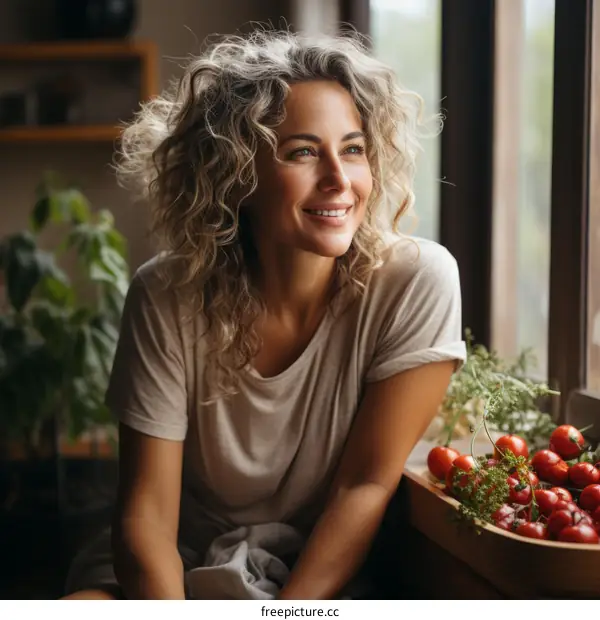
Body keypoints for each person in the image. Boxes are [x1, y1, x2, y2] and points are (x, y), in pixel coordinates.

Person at [62, 27, 466, 600]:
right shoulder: (165, 294)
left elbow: (363, 486)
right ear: (236, 174)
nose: (339, 179)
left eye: (352, 149)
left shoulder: (416, 281)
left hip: (320, 573)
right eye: (303, 151)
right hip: (169, 565)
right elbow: (146, 519)